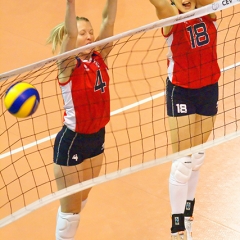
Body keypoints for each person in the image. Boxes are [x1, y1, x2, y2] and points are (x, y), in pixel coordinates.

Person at [149, 0, 220, 239]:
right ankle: (177, 228)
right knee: (182, 163)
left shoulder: (207, 10)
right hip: (182, 91)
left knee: (197, 155)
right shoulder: (171, 17)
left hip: (209, 88)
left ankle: (188, 214)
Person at [46, 0, 118, 239]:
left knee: (81, 202)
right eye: (82, 33)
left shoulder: (100, 57)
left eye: (90, 33)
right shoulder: (67, 65)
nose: (88, 37)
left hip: (97, 139)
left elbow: (109, 21)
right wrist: (71, 3)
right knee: (71, 213)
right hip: (72, 141)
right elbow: (69, 32)